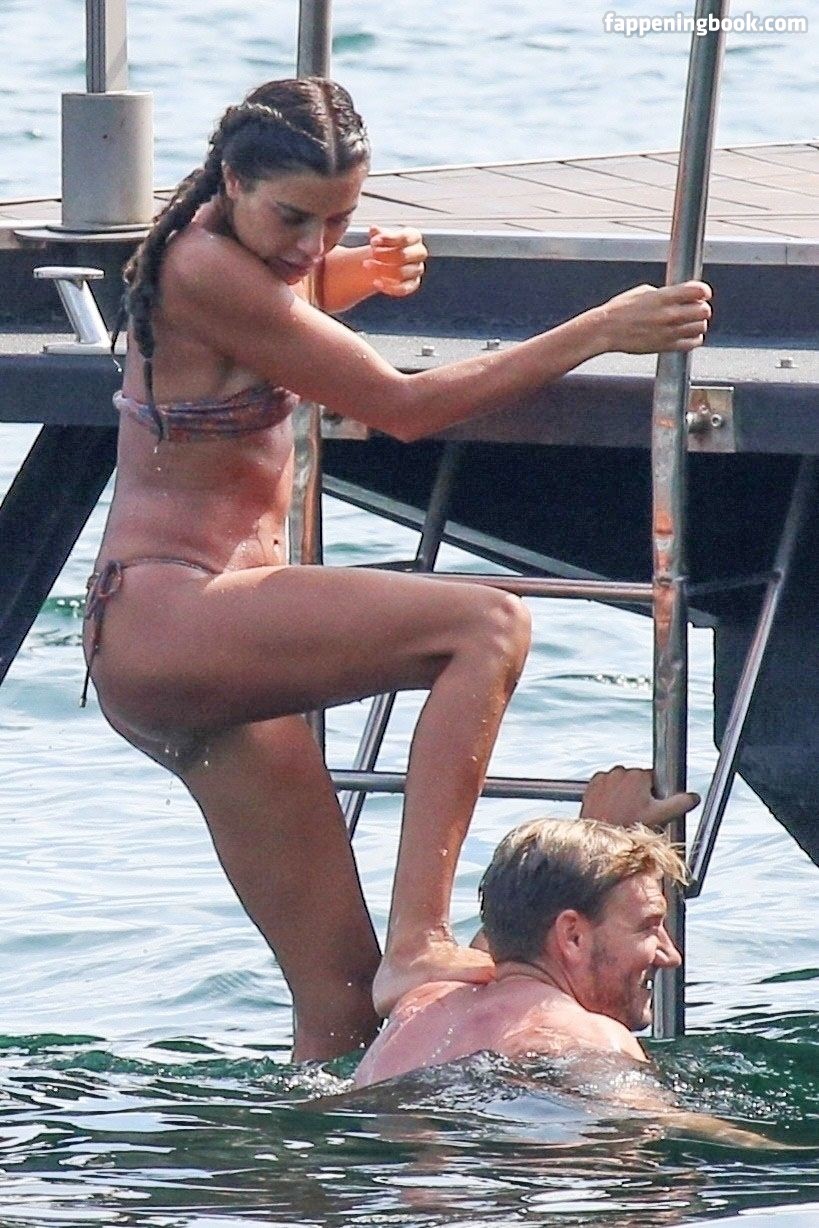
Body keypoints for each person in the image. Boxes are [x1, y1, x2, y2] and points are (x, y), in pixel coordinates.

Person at [82, 76, 712, 1063]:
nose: (311, 245)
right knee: (486, 626)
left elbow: (269, 317)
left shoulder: (233, 262)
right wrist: (600, 330)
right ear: (232, 180)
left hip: (196, 666)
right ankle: (420, 934)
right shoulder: (202, 266)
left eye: (337, 221)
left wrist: (351, 275)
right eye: (293, 218)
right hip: (175, 615)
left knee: (341, 1014)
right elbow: (403, 408)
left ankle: (312, 1161)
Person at [353, 768, 697, 1088]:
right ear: (572, 936)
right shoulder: (590, 1040)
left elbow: (517, 935)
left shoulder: (417, 1013)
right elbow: (648, 1122)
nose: (671, 956)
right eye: (648, 927)